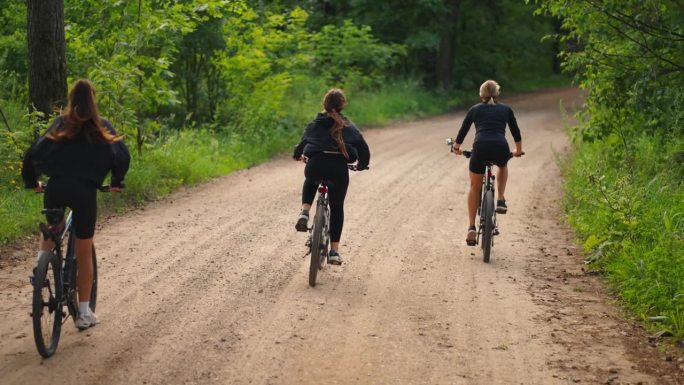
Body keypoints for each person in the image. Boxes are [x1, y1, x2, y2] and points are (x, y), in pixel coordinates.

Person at [22, 79, 130, 330]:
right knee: (83, 253)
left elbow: (33, 151)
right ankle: (83, 313)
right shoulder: (101, 126)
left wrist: (32, 181)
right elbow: (121, 155)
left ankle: (40, 266)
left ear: (71, 100)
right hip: (84, 193)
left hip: (56, 188)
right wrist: (116, 181)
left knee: (53, 228)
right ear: (93, 101)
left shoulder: (60, 124)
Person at [293, 88, 370, 265]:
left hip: (316, 165)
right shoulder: (348, 126)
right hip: (338, 170)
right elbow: (363, 147)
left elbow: (304, 142)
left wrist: (297, 154)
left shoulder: (315, 123)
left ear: (324, 104)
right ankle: (334, 252)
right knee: (337, 208)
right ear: (343, 105)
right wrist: (362, 165)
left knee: (311, 180)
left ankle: (305, 212)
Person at [451, 80, 523, 246]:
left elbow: (462, 132)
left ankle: (471, 228)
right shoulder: (506, 109)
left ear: (481, 95)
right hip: (500, 146)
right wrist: (518, 150)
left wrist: (456, 147)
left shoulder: (474, 110)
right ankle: (501, 199)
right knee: (503, 165)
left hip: (480, 146)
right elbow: (516, 132)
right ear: (497, 95)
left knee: (475, 187)